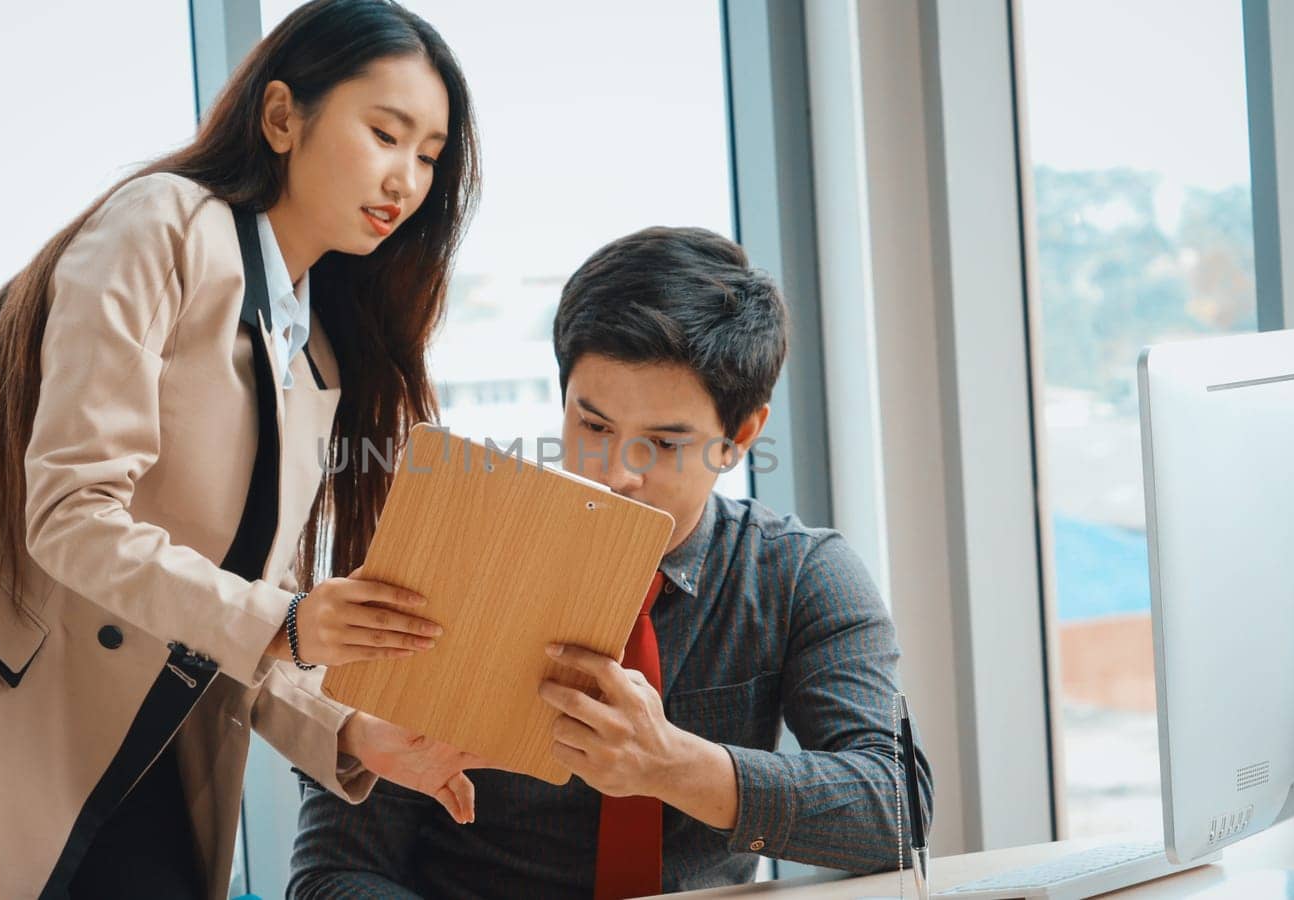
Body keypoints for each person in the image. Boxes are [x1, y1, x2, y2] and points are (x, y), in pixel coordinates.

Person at [0, 1, 484, 897]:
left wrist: (347, 731)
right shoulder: (164, 225)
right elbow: (71, 519)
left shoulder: (320, 355)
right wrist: (289, 622)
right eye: (386, 133)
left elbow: (240, 613)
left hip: (141, 755)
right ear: (281, 117)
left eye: (428, 156)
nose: (407, 180)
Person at [288, 227, 933, 898]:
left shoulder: (796, 576)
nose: (618, 473)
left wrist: (674, 765)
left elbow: (898, 810)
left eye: (662, 442)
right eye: (592, 427)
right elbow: (333, 877)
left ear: (740, 437)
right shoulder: (449, 566)